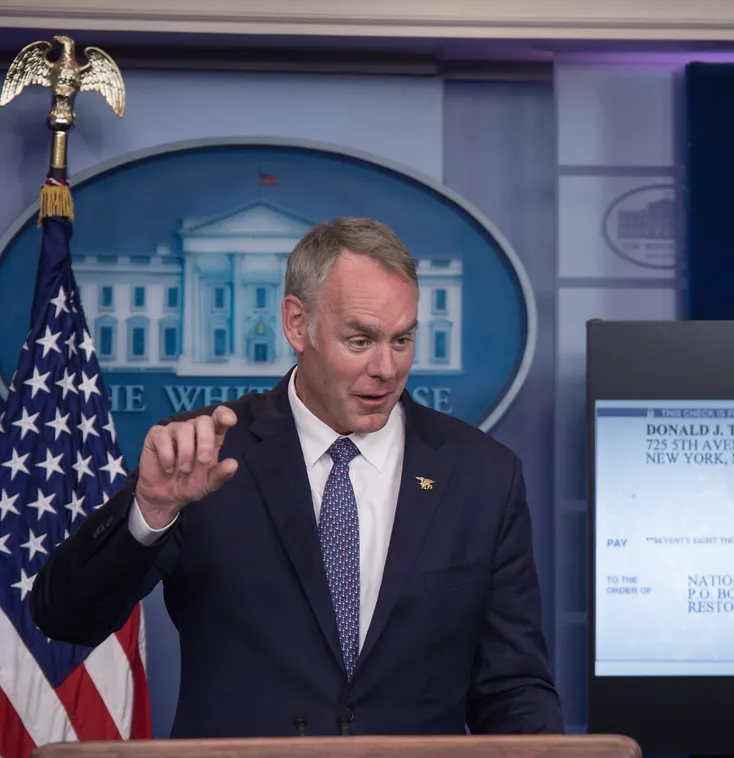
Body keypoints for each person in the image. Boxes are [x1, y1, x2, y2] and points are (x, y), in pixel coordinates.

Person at [30, 217, 563, 737]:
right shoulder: (205, 457)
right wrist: (150, 512)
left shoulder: (481, 474)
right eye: (360, 340)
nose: (386, 368)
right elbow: (64, 618)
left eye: (402, 340)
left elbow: (512, 688)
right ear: (296, 324)